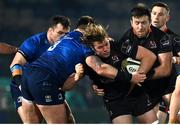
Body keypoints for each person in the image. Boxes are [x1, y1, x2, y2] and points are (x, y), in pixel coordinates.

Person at [20, 16, 127, 123]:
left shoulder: (66, 37)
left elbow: (65, 86)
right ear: (90, 27)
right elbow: (99, 67)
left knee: (66, 119)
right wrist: (129, 77)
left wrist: (80, 77)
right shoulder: (85, 40)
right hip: (45, 78)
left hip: (28, 74)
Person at [74, 23, 157, 123]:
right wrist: (94, 85)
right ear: (92, 48)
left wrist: (138, 76)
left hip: (136, 93)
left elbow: (150, 56)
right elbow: (97, 74)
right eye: (100, 47)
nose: (105, 49)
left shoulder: (120, 46)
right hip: (115, 100)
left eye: (106, 44)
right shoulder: (88, 61)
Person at [9, 15, 74, 123]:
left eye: (66, 34)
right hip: (25, 86)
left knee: (68, 119)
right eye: (60, 33)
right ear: (50, 30)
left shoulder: (66, 46)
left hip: (47, 84)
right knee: (32, 122)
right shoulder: (34, 42)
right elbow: (15, 64)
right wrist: (21, 85)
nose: (63, 37)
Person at [151, 2, 180, 123]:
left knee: (174, 119)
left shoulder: (174, 38)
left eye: (161, 14)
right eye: (154, 13)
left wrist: (174, 59)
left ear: (167, 17)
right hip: (147, 87)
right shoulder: (138, 36)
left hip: (167, 88)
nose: (156, 17)